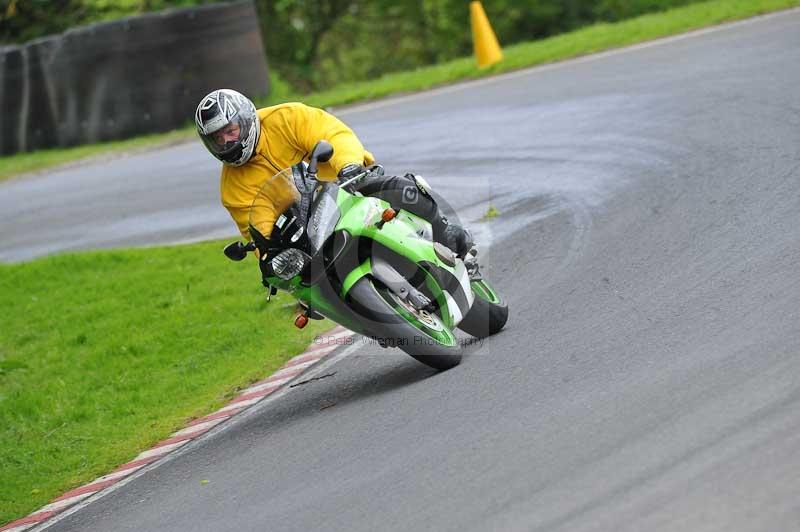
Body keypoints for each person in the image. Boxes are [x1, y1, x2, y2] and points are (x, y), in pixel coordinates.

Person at [195, 88, 472, 259]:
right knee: (309, 291)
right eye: (217, 139)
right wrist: (272, 256)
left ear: (245, 120)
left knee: (393, 186)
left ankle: (443, 232)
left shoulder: (287, 117)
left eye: (230, 131)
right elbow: (256, 232)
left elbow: (332, 133)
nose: (227, 143)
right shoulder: (232, 189)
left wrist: (348, 165)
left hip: (344, 184)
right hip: (305, 228)